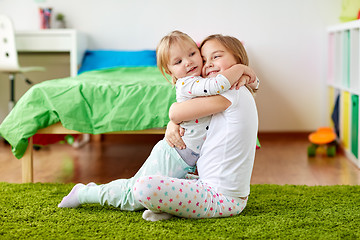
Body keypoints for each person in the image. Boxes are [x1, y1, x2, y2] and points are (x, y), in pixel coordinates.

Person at [57, 31, 256, 211]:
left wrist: (249, 77)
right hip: (173, 155)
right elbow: (208, 91)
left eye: (194, 55)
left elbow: (213, 96)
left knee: (153, 190)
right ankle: (85, 193)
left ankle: (161, 208)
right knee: (131, 195)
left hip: (186, 160)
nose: (189, 63)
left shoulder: (216, 86)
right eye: (178, 62)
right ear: (170, 72)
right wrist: (242, 69)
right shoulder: (193, 84)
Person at [133, 34, 258, 221]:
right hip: (209, 185)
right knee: (170, 178)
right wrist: (173, 124)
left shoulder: (232, 91)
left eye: (216, 56)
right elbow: (188, 114)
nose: (207, 64)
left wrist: (242, 70)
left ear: (238, 58)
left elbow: (176, 112)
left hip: (222, 197)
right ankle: (176, 207)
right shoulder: (232, 91)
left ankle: (174, 205)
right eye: (204, 59)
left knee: (143, 187)